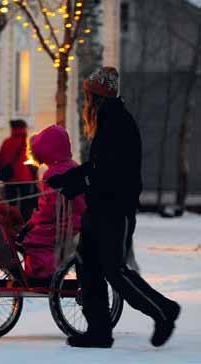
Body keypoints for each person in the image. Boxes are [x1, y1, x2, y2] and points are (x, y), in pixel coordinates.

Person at [48, 66, 181, 348]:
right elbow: (96, 168)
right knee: (88, 268)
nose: (85, 102)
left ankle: (164, 311)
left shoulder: (117, 123)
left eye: (87, 96)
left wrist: (76, 184)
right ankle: (99, 331)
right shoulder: (108, 121)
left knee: (115, 271)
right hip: (98, 210)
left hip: (114, 211)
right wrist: (68, 179)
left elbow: (107, 173)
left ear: (96, 98)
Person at [21, 125, 86, 281]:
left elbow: (48, 209)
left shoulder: (53, 174)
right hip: (77, 219)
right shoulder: (74, 166)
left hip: (64, 223)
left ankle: (42, 273)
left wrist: (32, 222)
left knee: (33, 239)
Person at [0, 119, 38, 220]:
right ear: (24, 128)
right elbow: (34, 161)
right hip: (26, 179)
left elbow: (0, 160)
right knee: (26, 204)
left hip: (10, 179)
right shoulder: (28, 143)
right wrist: (36, 178)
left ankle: (12, 223)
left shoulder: (7, 142)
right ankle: (25, 223)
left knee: (11, 204)